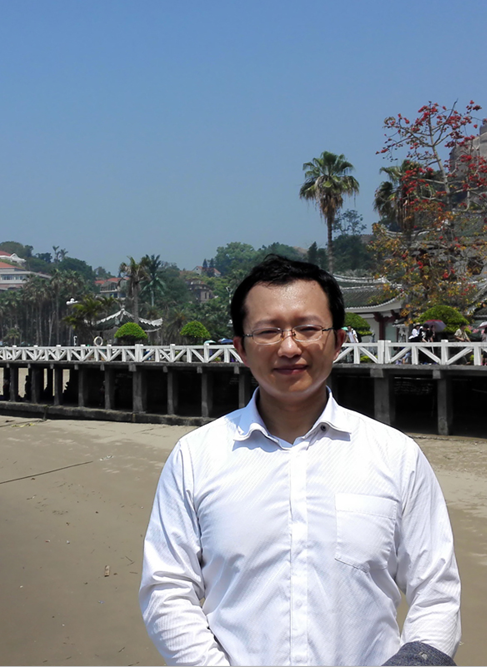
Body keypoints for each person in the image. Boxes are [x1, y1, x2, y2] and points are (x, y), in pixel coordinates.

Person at [140, 255, 461, 667]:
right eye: (268, 331)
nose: (289, 347)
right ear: (240, 348)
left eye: (308, 329)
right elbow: (166, 589)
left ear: (338, 341)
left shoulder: (397, 456)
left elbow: (437, 592)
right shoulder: (196, 457)